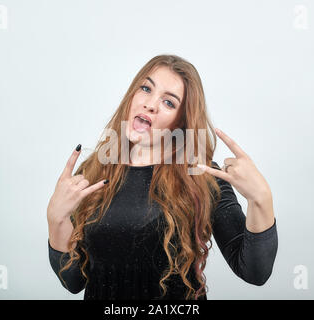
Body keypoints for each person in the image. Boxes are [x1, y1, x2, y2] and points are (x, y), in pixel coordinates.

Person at [47, 54, 278, 300]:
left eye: (169, 103)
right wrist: (56, 219)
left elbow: (255, 272)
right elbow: (73, 281)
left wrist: (261, 198)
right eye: (146, 88)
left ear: (182, 120)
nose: (151, 104)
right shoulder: (94, 171)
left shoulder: (201, 176)